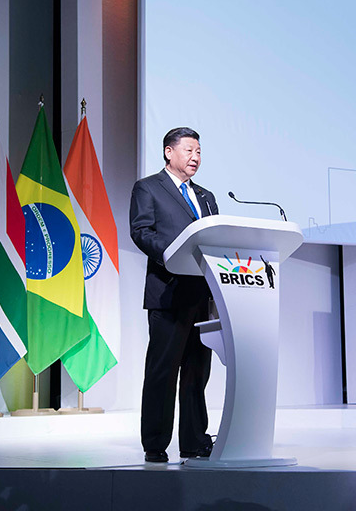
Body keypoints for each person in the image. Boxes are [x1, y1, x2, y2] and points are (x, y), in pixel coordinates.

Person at [130, 127, 219, 463]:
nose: (195, 157)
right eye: (189, 150)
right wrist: (171, 252)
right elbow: (141, 231)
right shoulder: (148, 188)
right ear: (169, 152)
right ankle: (155, 443)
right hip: (168, 291)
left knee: (197, 373)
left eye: (199, 152)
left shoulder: (206, 196)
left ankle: (194, 441)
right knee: (162, 371)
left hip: (202, 295)